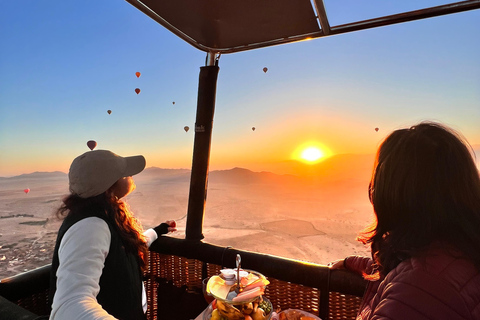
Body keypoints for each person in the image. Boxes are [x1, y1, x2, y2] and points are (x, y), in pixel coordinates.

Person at [329, 122, 480, 320]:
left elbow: (413, 287)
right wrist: (351, 263)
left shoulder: (419, 290)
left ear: (392, 195)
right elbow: (397, 272)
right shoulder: (459, 253)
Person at [49, 149, 177, 319]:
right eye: (124, 173)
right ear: (108, 184)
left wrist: (158, 230)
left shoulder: (104, 214)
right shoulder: (90, 226)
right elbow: (70, 304)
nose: (130, 175)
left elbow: (124, 250)